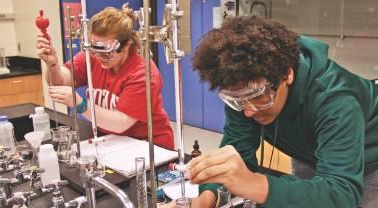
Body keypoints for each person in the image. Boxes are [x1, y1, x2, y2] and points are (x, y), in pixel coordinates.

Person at [184, 16, 378, 208]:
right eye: (237, 100)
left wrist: (253, 183)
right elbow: (237, 153)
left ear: (287, 74)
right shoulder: (243, 89)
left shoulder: (335, 100)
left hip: (368, 162)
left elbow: (342, 193)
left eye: (258, 96)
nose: (249, 112)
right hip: (309, 153)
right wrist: (208, 197)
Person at [36, 4, 174, 150]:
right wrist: (52, 64)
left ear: (126, 45)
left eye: (106, 52)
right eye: (95, 50)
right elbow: (60, 82)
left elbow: (120, 123)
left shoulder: (143, 73)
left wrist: (81, 104)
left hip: (149, 145)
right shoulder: (93, 58)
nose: (99, 57)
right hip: (112, 141)